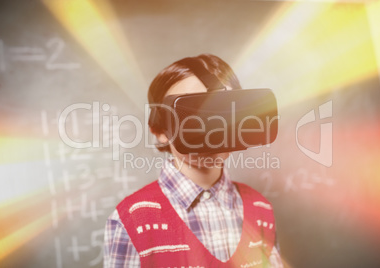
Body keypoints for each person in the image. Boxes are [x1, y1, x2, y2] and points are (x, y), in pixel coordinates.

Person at [103, 54, 283, 267]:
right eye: (193, 115)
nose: (211, 130)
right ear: (160, 130)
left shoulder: (260, 208)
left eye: (223, 111)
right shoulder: (132, 220)